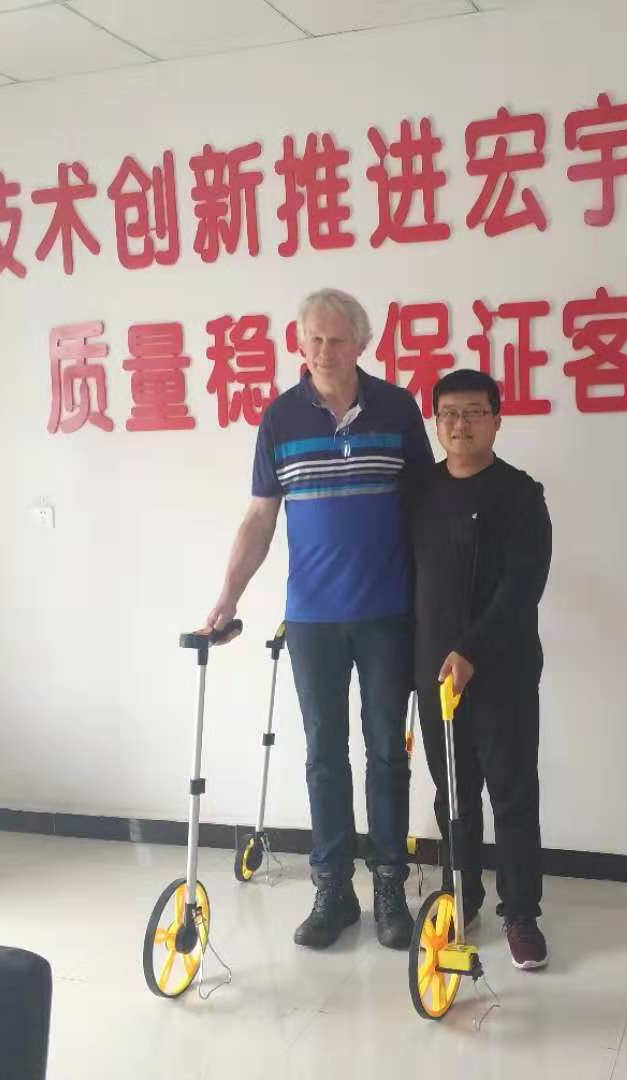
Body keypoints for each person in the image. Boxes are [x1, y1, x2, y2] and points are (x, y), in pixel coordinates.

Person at [202, 288, 433, 950]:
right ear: (298, 343)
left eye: (337, 340)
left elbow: (426, 507)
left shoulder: (397, 408)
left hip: (388, 613)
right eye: (314, 341)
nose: (325, 353)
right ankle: (332, 891)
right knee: (323, 756)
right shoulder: (280, 417)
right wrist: (228, 597)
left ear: (362, 343)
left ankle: (389, 887)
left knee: (387, 753)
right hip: (312, 619)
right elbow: (259, 517)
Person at [408, 368, 553, 970]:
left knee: (512, 794)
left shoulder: (521, 495)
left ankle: (520, 914)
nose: (460, 425)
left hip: (502, 671)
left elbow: (523, 585)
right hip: (433, 672)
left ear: (497, 419)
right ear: (436, 422)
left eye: (473, 413)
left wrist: (471, 650)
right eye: (448, 414)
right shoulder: (419, 491)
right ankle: (461, 895)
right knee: (454, 795)